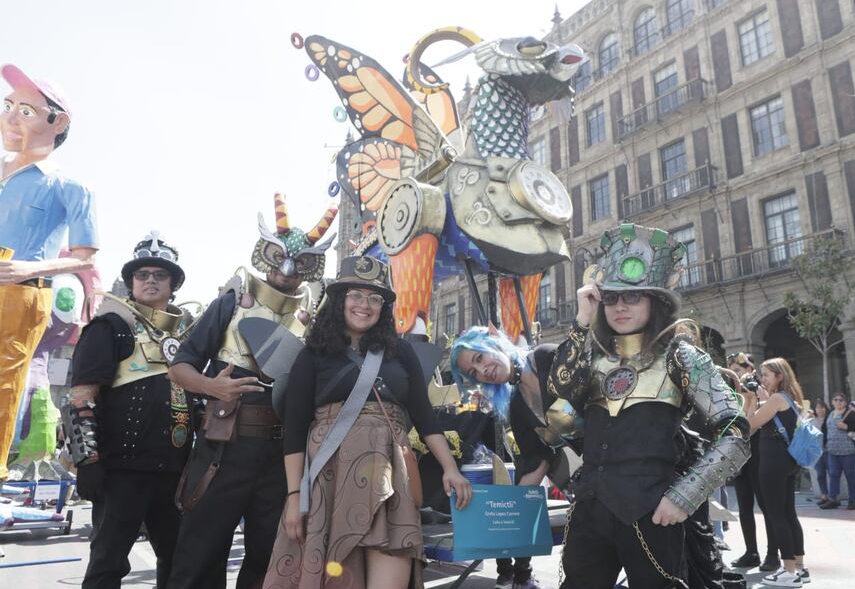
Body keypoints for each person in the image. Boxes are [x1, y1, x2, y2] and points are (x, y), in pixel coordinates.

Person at [548, 223, 750, 589]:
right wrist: (582, 320)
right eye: (611, 298)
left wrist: (684, 497)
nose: (620, 306)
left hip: (652, 512)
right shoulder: (592, 357)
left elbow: (735, 433)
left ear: (654, 301)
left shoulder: (682, 356)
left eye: (633, 297)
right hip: (590, 507)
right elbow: (559, 390)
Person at [263, 255, 472, 589]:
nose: (365, 305)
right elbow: (295, 430)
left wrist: (450, 467)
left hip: (393, 473)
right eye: (356, 295)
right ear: (339, 300)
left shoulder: (400, 352)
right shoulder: (312, 355)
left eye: (374, 298)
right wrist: (293, 496)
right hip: (330, 476)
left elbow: (425, 417)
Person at [167, 196, 336, 589]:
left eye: (300, 263)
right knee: (200, 554)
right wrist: (212, 386)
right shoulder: (231, 303)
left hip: (281, 457)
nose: (288, 271)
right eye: (281, 259)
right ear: (266, 256)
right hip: (224, 447)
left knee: (268, 558)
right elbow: (178, 367)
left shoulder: (314, 320)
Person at [66, 233, 194, 588]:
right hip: (121, 470)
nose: (150, 280)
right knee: (108, 561)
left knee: (179, 559)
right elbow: (81, 398)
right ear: (130, 281)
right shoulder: (111, 327)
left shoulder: (186, 337)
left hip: (174, 472)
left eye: (159, 274)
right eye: (142, 274)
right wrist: (87, 462)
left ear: (174, 284)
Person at [0, 64, 98, 481]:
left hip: (21, 293)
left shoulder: (69, 188)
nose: (10, 118)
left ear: (58, 123)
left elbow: (85, 256)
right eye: (8, 106)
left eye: (25, 111)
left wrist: (30, 267)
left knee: (6, 380)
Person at [451, 325, 576, 589]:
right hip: (589, 491)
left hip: (630, 469)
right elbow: (537, 461)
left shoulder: (545, 357)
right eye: (474, 372)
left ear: (494, 337)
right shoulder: (517, 406)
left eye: (479, 357)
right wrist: (508, 516)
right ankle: (517, 575)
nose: (483, 369)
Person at [744, 358, 808, 587]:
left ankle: (788, 571)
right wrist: (760, 399)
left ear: (779, 376)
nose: (762, 379)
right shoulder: (789, 399)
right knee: (789, 513)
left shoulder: (776, 399)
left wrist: (751, 400)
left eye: (766, 375)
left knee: (776, 515)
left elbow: (749, 426)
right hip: (787, 462)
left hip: (773, 464)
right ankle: (799, 568)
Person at [725, 352, 779, 573]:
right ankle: (751, 552)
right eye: (732, 372)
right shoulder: (733, 394)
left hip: (760, 455)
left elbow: (751, 426)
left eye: (737, 372)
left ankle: (773, 554)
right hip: (741, 457)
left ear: (749, 370)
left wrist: (753, 396)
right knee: (744, 508)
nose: (735, 377)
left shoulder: (762, 392)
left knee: (767, 507)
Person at [820, 392, 855, 510]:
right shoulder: (830, 414)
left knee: (850, 475)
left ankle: (852, 500)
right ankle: (833, 499)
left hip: (849, 451)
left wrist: (847, 427)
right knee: (834, 475)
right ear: (832, 402)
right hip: (832, 451)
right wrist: (825, 444)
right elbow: (825, 430)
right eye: (835, 400)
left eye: (841, 400)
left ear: (845, 402)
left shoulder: (850, 414)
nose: (838, 402)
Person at [810, 399, 830, 502]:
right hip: (817, 452)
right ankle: (824, 494)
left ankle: (832, 495)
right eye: (817, 407)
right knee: (820, 474)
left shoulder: (829, 419)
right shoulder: (812, 421)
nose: (820, 410)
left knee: (832, 473)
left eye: (822, 407)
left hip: (829, 450)